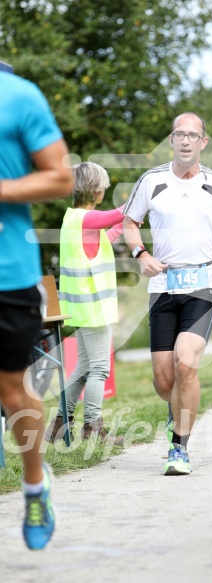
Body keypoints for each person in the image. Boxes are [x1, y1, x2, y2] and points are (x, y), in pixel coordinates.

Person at [122, 112, 212, 475]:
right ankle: (174, 410)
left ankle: (179, 448)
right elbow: (130, 222)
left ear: (203, 142)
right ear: (171, 140)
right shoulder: (151, 181)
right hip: (163, 285)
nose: (186, 141)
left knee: (186, 362)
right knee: (164, 382)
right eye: (180, 134)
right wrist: (141, 255)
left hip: (203, 285)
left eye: (193, 135)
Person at [0, 69, 73, 550]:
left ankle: (33, 484)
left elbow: (62, 177)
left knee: (11, 392)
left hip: (7, 274)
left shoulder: (20, 95)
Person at [45, 162, 125, 444]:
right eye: (103, 184)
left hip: (81, 306)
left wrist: (124, 227)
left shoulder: (74, 219)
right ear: (94, 188)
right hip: (94, 307)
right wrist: (143, 198)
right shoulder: (87, 218)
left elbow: (104, 235)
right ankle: (94, 429)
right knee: (100, 369)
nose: (105, 188)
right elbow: (117, 214)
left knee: (83, 367)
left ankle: (59, 424)